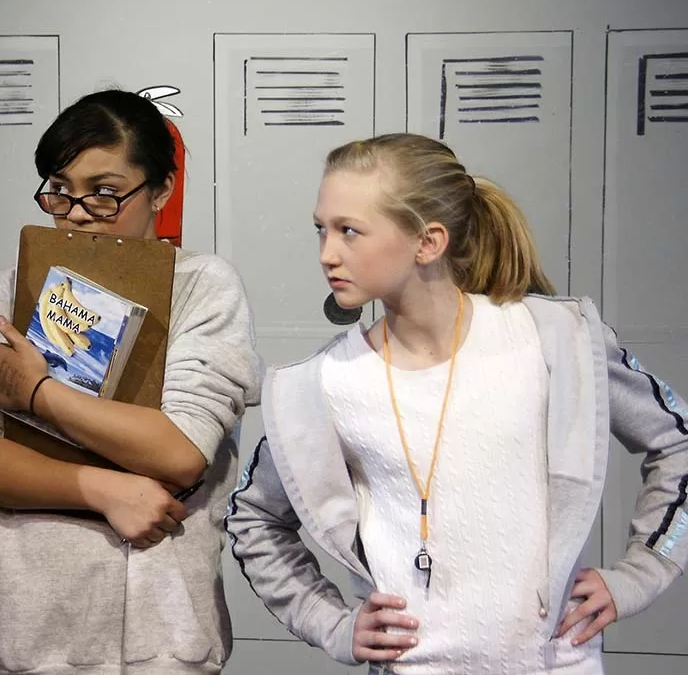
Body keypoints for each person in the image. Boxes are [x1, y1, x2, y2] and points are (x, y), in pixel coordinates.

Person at [226, 133, 687, 674]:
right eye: (321, 229)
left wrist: (642, 573)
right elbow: (253, 517)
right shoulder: (323, 383)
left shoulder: (553, 340)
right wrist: (330, 622)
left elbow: (678, 443)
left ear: (428, 242)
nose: (328, 253)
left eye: (349, 231)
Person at [0, 89, 261, 675]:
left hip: (167, 634)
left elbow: (179, 452)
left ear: (161, 191)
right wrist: (104, 490)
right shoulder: (8, 292)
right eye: (60, 189)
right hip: (36, 631)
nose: (75, 212)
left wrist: (38, 394)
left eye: (104, 192)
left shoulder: (203, 286)